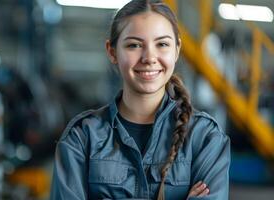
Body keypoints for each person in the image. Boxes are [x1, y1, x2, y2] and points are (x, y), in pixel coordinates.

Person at [50, 0, 230, 199]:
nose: (149, 57)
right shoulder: (82, 138)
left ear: (177, 50)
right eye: (134, 45)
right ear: (112, 51)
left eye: (162, 44)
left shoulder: (205, 138)